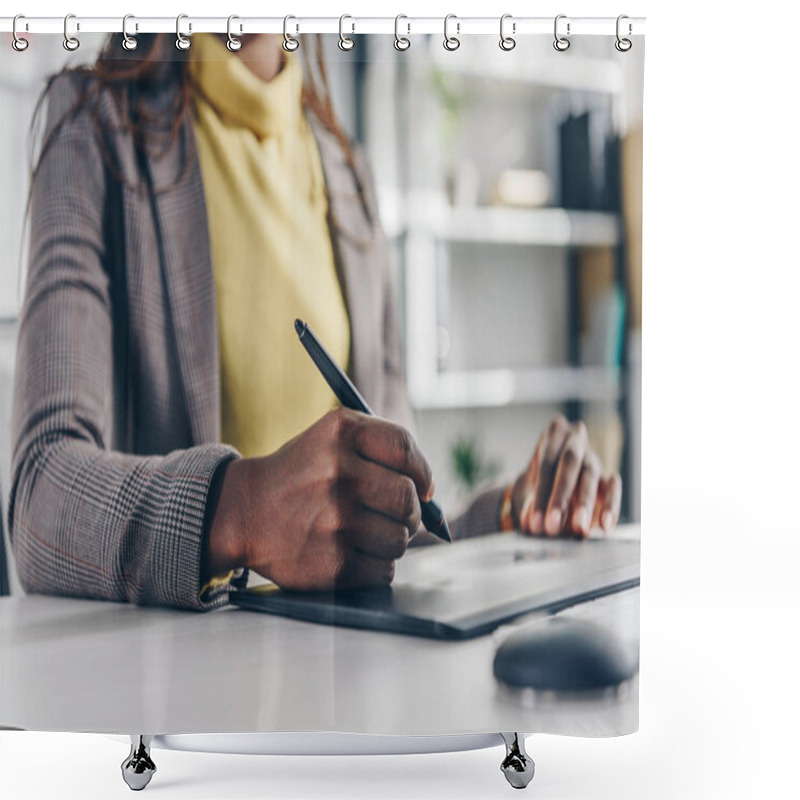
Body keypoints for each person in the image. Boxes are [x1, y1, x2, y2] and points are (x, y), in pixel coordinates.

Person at [8, 32, 622, 611]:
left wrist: (517, 510)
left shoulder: (348, 175)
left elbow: (403, 530)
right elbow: (39, 498)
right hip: (179, 701)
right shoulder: (92, 123)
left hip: (340, 690)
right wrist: (243, 510)